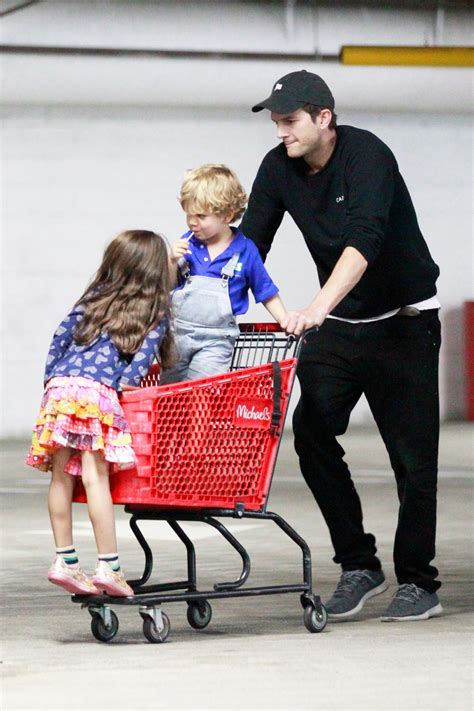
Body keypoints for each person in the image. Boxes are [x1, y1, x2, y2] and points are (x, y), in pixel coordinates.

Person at [241, 70, 443, 622]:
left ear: (323, 118)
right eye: (277, 123)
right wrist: (202, 288)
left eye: (290, 122)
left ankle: (419, 582)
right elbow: (251, 245)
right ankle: (359, 565)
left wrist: (315, 309)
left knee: (413, 460)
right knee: (311, 433)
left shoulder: (367, 156)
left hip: (404, 325)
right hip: (340, 325)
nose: (282, 132)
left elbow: (364, 242)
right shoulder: (277, 167)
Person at [26, 230, 174, 597]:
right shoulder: (154, 312)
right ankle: (110, 565)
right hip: (96, 393)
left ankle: (65, 560)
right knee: (95, 479)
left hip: (60, 389)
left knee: (61, 476)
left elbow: (59, 339)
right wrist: (118, 387)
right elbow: (137, 367)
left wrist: (52, 380)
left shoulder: (92, 298)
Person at [160, 164, 288, 383]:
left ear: (227, 216)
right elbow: (168, 285)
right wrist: (171, 260)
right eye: (189, 214)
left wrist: (285, 320)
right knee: (169, 392)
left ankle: (200, 419)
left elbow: (265, 290)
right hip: (178, 336)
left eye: (201, 215)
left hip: (215, 341)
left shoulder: (245, 251)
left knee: (202, 391)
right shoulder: (188, 244)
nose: (192, 222)